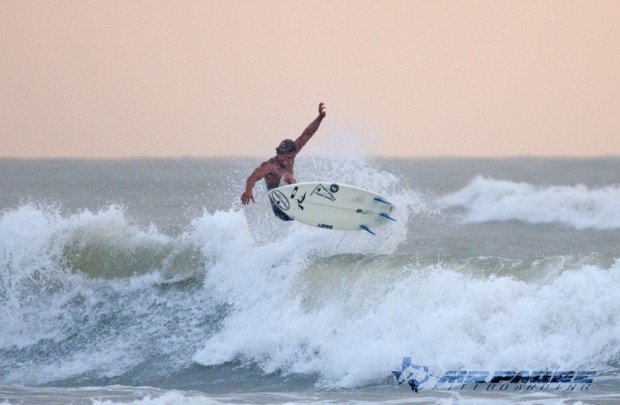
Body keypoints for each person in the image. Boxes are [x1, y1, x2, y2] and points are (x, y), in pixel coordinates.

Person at [241, 102, 326, 220]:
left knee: (312, 186)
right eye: (285, 157)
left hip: (296, 205)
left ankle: (316, 205)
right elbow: (253, 176)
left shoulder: (291, 155)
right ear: (278, 153)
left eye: (290, 157)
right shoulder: (269, 166)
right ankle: (303, 201)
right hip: (280, 209)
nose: (288, 161)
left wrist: (320, 117)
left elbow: (307, 134)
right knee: (287, 176)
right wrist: (248, 190)